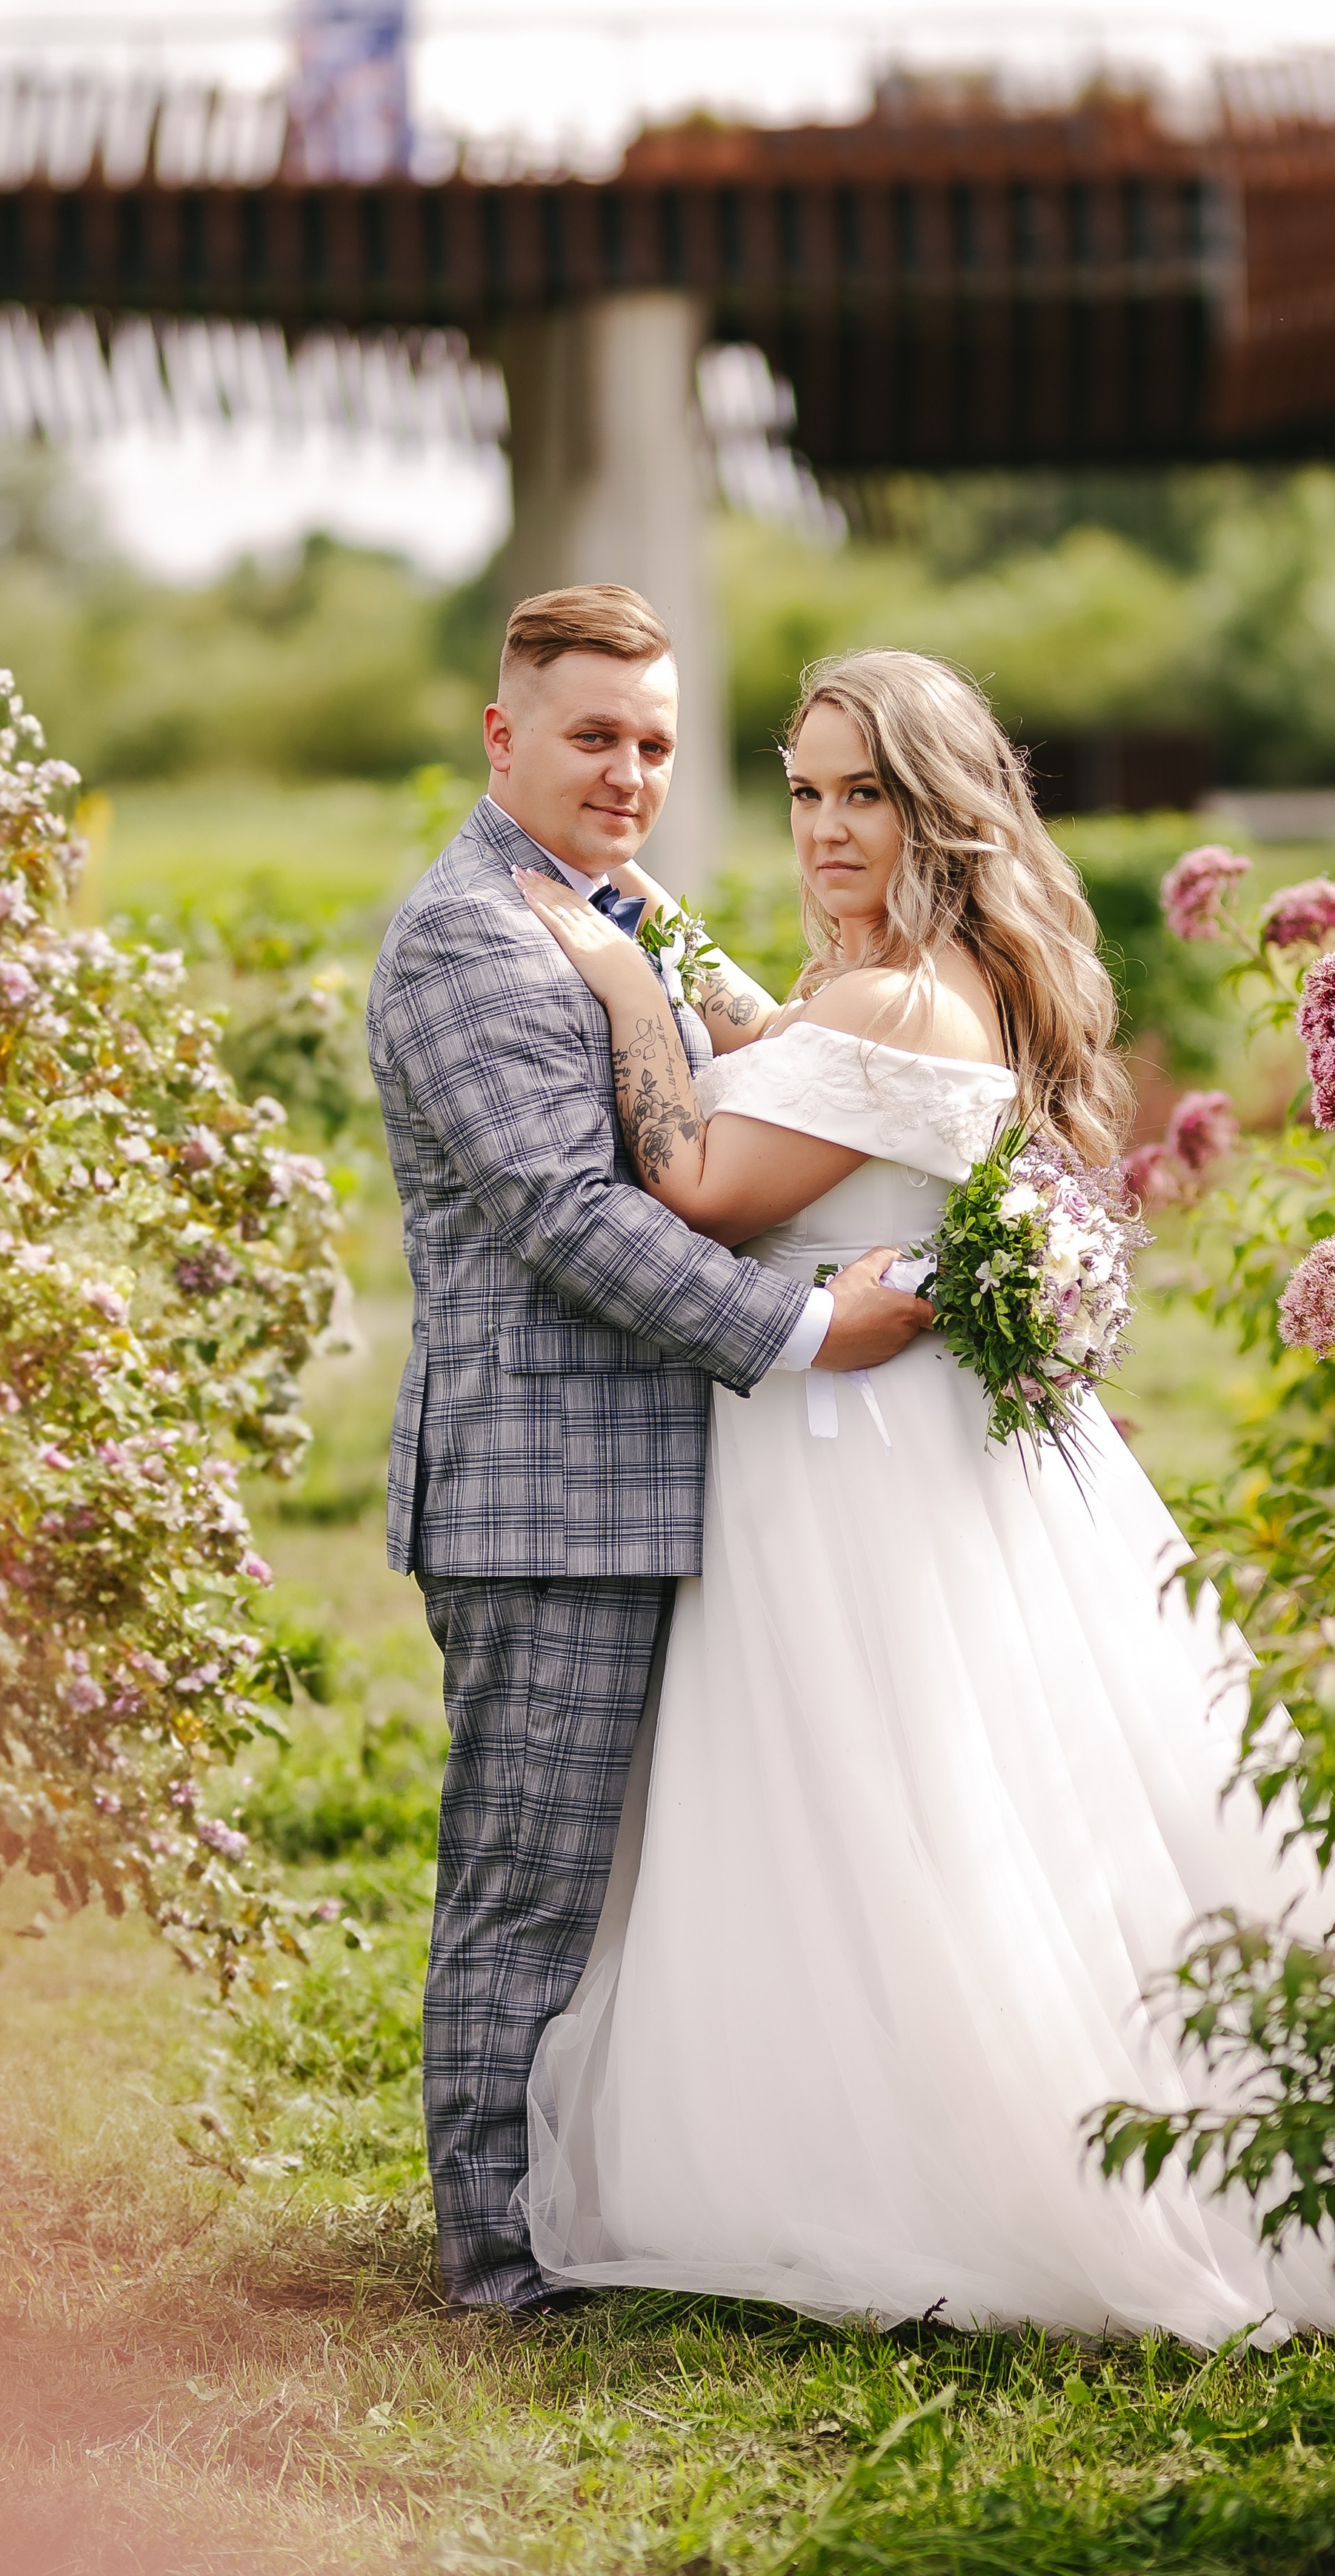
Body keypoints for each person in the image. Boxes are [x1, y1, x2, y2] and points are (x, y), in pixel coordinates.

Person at [510, 645, 1335, 2343]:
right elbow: (792, 1076)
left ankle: (933, 2162)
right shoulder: (924, 977)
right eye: (803, 793)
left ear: (940, 805)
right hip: (875, 1432)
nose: (825, 829)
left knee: (882, 1792)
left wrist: (615, 970)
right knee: (912, 1797)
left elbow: (695, 1186)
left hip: (849, 1459)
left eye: (866, 795)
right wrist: (680, 952)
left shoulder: (894, 997)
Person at [365, 585, 933, 2314]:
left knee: (631, 1892)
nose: (628, 773)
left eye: (657, 745)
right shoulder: (472, 932)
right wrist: (807, 1329)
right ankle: (491, 2260)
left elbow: (775, 1071)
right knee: (527, 1886)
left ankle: (604, 2199)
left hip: (674, 1484)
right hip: (546, 1488)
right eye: (593, 737)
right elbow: (561, 1216)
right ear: (502, 735)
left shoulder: (623, 909)